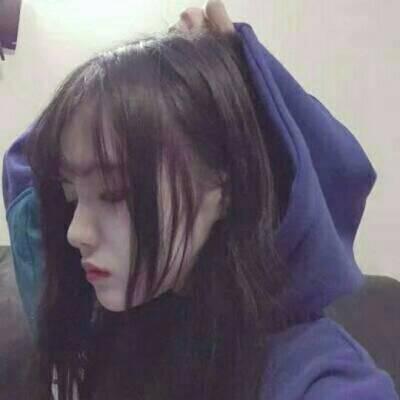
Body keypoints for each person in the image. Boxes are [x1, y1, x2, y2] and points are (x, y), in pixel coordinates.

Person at [2, 1, 398, 399]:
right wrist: (142, 76)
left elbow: (337, 170)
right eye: (73, 196)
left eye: (113, 193)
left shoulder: (318, 375)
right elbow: (27, 165)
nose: (76, 232)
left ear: (225, 187)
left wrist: (243, 72)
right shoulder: (99, 315)